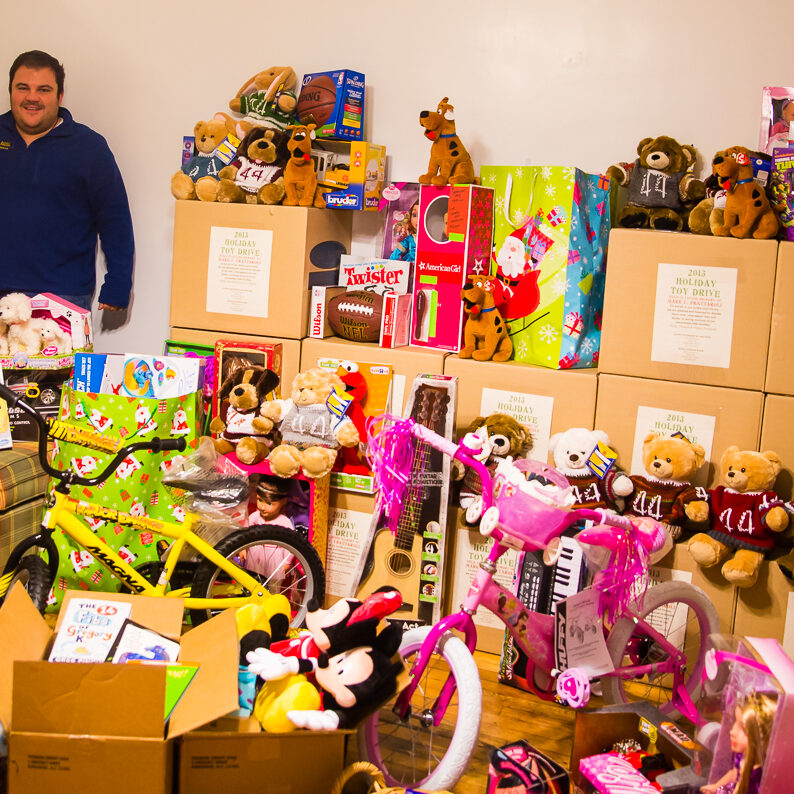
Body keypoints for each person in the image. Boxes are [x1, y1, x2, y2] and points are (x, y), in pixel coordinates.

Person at [0, 50, 134, 312]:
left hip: (62, 297)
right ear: (10, 92)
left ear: (59, 97)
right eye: (23, 88)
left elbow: (114, 219)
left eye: (44, 90)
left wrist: (117, 284)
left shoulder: (89, 147)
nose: (32, 98)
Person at [701, 692, 777, 794]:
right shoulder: (742, 756)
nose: (732, 731)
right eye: (736, 723)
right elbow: (734, 773)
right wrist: (715, 787)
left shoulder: (758, 777)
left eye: (743, 729)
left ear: (763, 739)